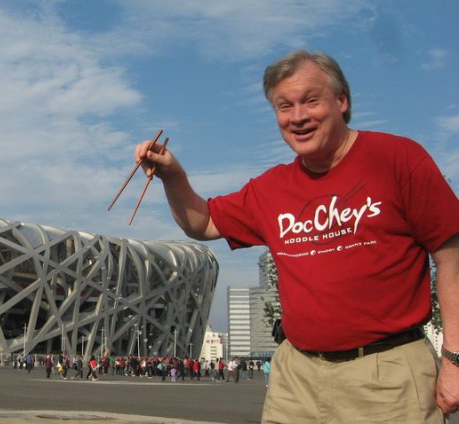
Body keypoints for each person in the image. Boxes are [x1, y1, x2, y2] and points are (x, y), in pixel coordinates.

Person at [133, 49, 459, 422]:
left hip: (387, 376)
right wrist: (173, 176)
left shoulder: (398, 159)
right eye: (284, 106)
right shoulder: (272, 188)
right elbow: (203, 223)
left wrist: (455, 358)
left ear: (342, 101)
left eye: (310, 101)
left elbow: (452, 256)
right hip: (297, 378)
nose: (298, 117)